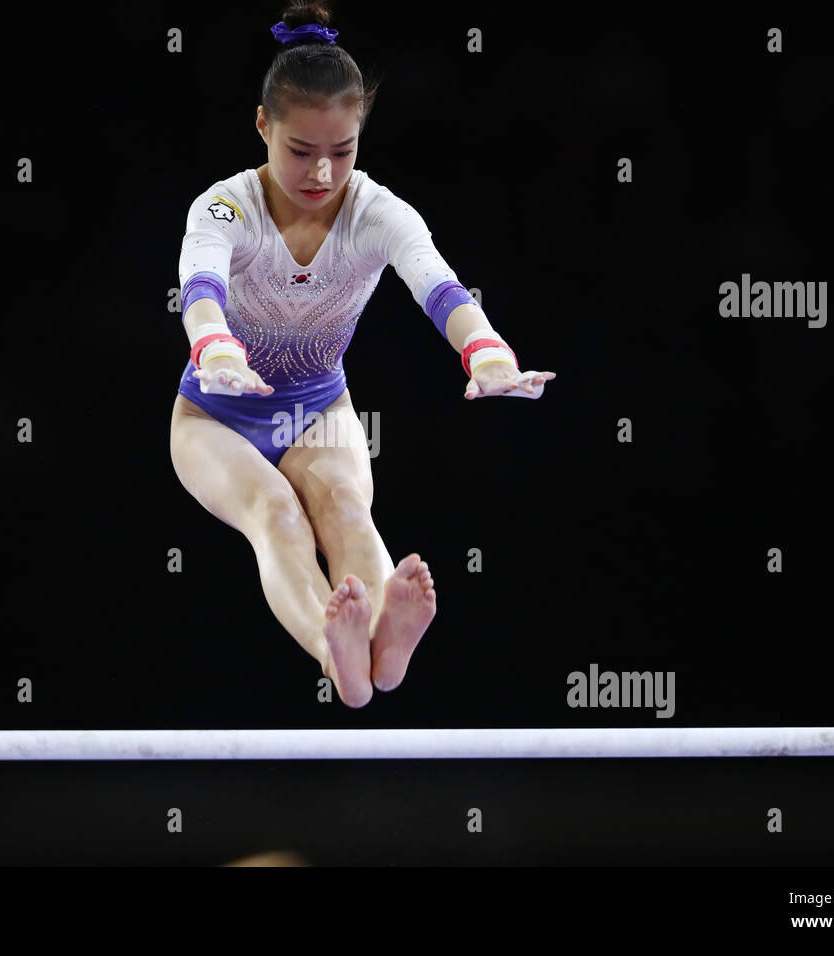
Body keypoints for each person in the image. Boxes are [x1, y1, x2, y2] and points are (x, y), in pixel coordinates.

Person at [169, 2, 556, 707]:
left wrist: (487, 354)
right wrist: (215, 345)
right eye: (300, 150)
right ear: (263, 125)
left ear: (360, 137)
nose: (322, 172)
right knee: (275, 513)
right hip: (215, 417)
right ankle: (335, 653)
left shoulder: (378, 213)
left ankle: (380, 650)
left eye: (342, 151)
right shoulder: (224, 208)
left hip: (320, 407)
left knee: (347, 507)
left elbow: (438, 286)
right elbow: (200, 283)